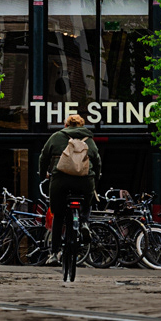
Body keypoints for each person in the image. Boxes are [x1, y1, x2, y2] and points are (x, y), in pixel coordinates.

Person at [39, 110, 102, 281]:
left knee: (58, 214)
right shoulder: (89, 139)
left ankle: (54, 253)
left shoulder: (56, 137)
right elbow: (97, 160)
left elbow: (43, 157)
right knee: (87, 202)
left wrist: (43, 174)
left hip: (60, 180)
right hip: (84, 180)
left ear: (66, 125)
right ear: (82, 125)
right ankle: (84, 223)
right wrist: (95, 177)